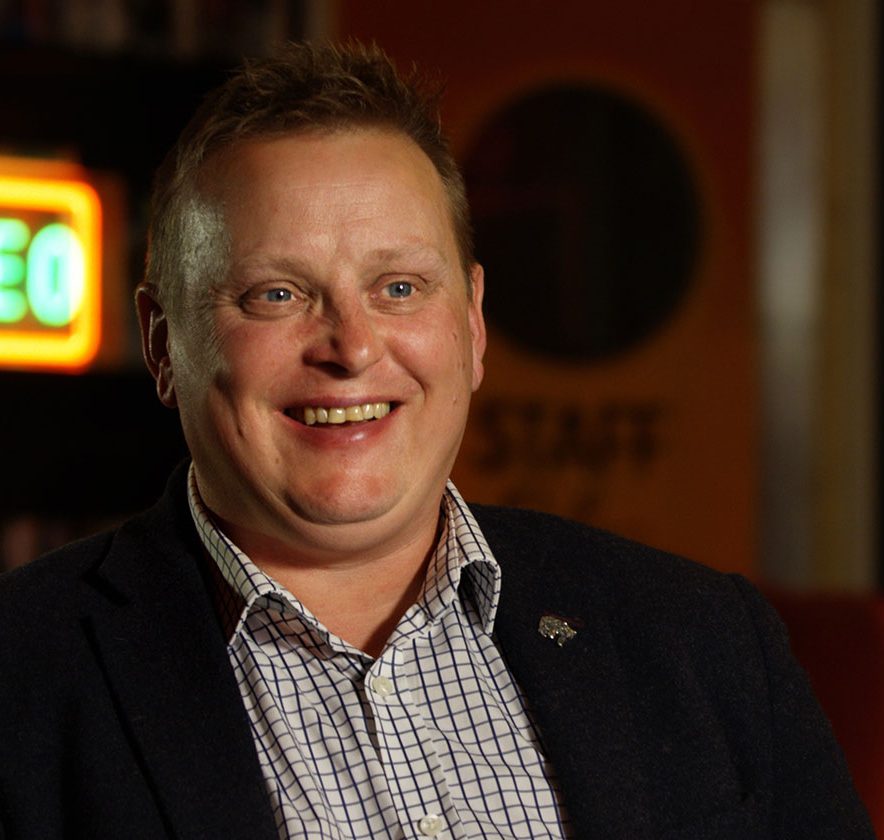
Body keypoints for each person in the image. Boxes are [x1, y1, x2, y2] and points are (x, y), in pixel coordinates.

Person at [0, 40, 874, 840]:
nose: (350, 346)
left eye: (401, 287)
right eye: (275, 295)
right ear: (162, 343)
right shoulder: (23, 678)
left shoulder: (704, 642)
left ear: (475, 325)